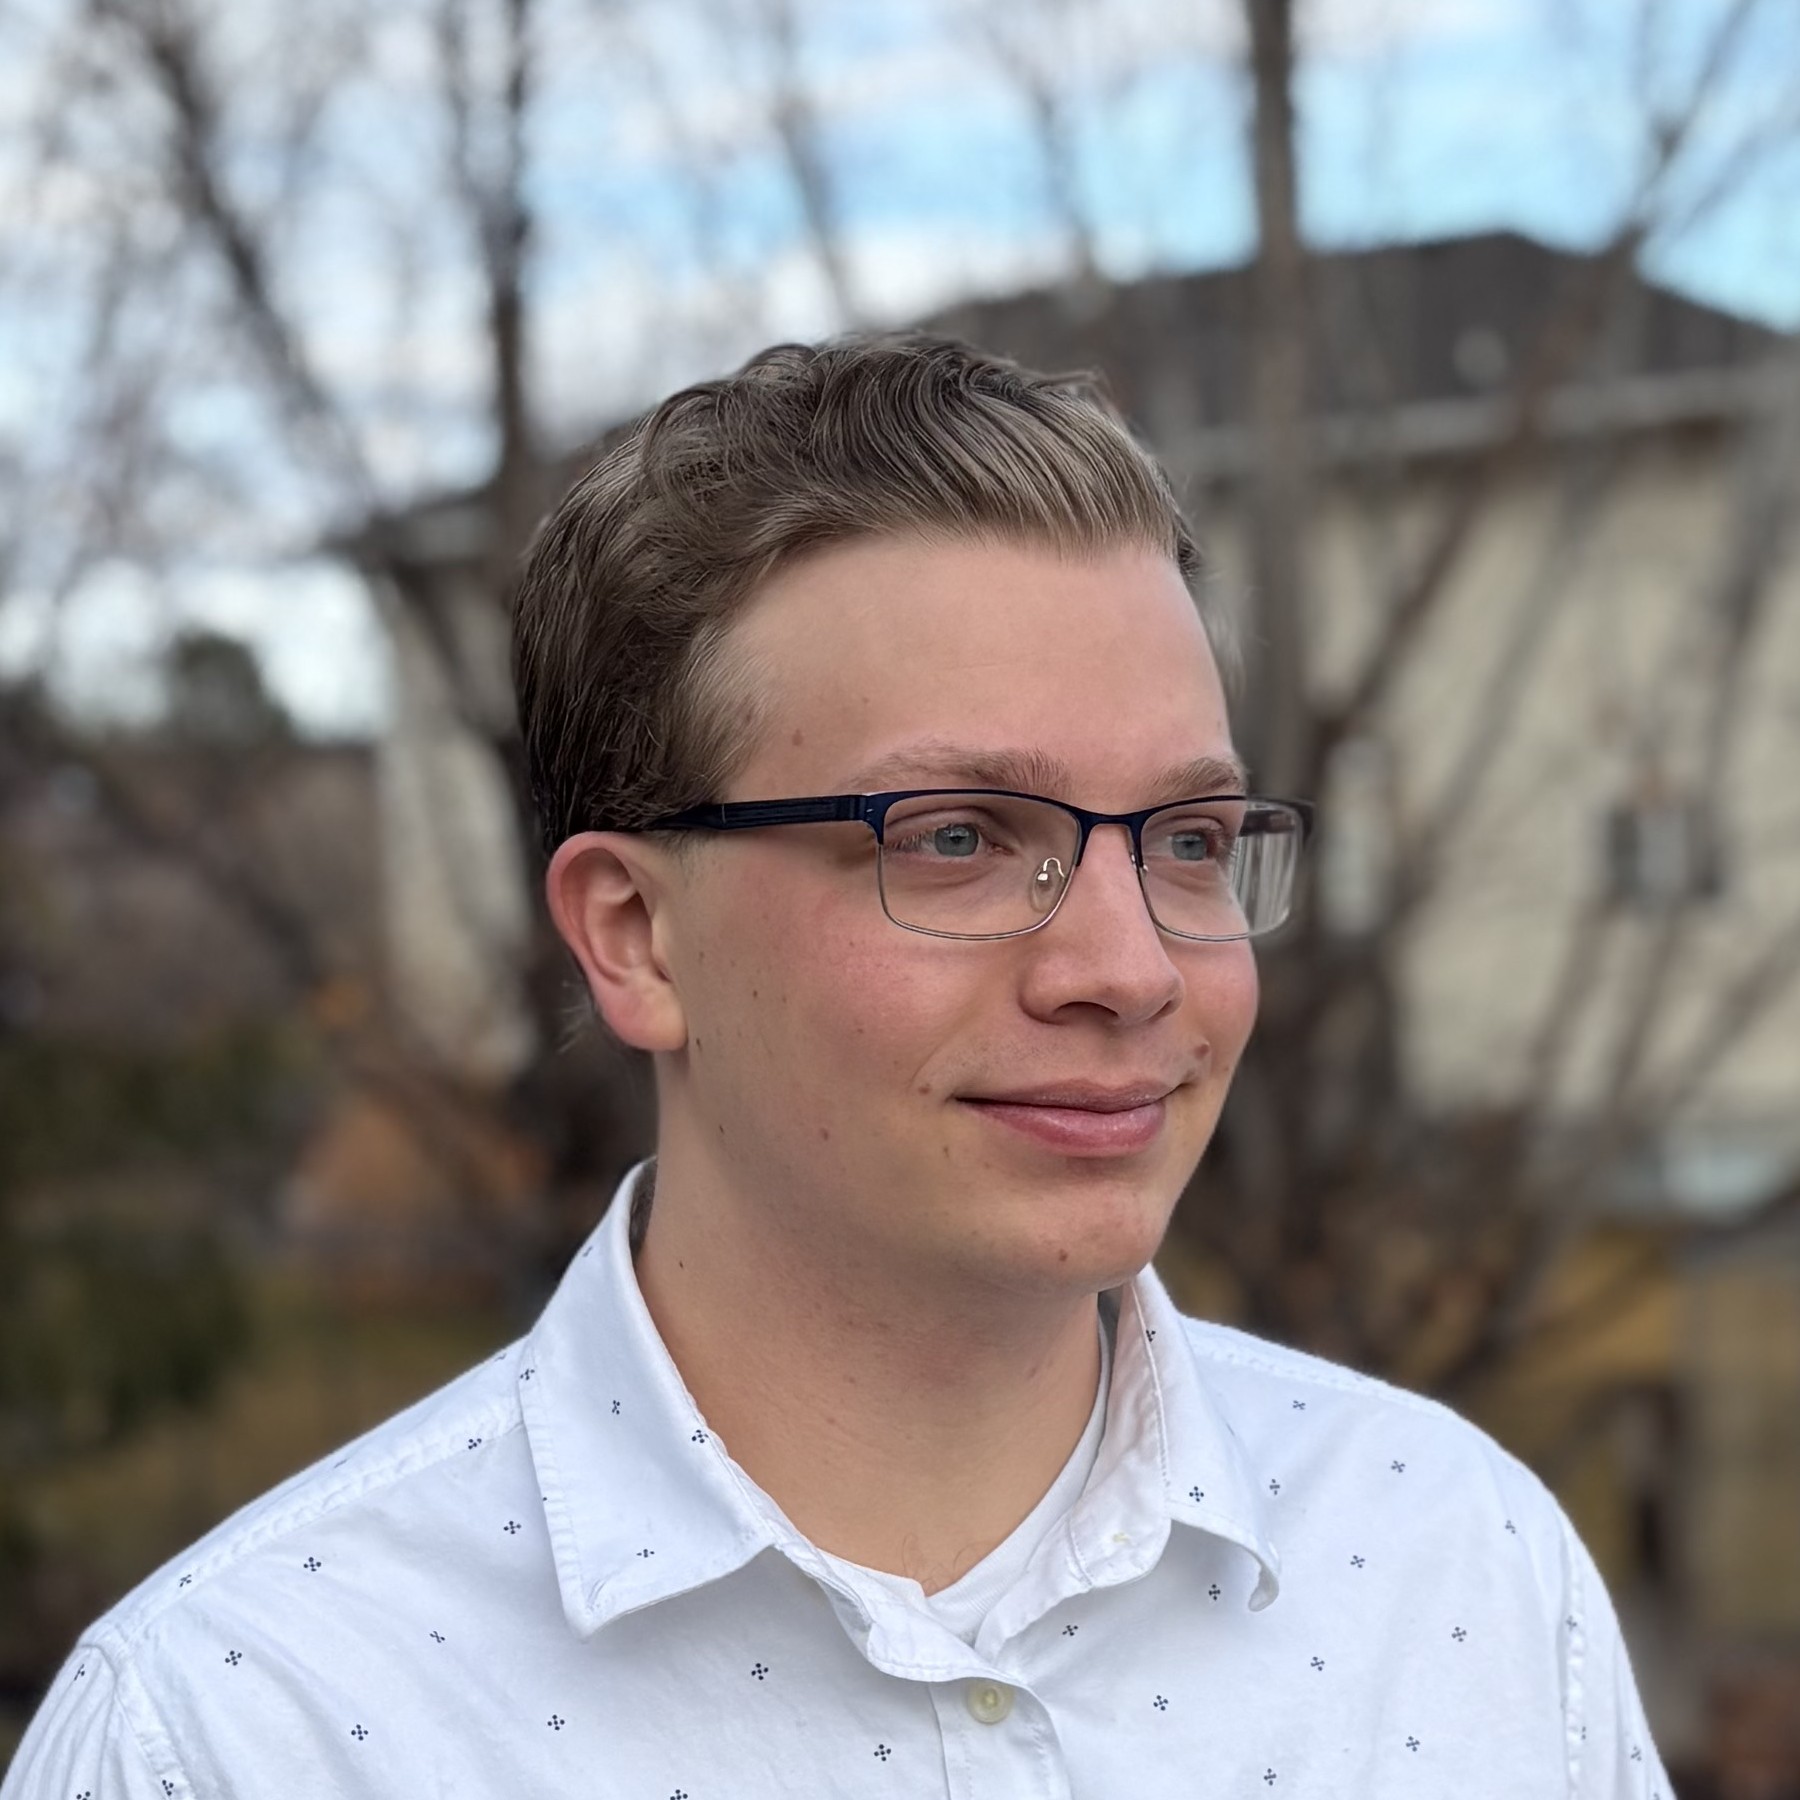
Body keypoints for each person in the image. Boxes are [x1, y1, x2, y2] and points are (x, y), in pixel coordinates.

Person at [4, 335, 1671, 1798]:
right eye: (953, 836)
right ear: (636, 937)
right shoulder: (239, 1735)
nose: (1130, 966)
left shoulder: (1465, 1572)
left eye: (1187, 838)